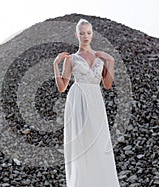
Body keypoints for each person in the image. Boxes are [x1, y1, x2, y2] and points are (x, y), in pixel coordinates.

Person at [53, 19, 120, 187]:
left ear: (92, 34)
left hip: (95, 100)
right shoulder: (72, 59)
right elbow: (62, 87)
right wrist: (55, 65)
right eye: (82, 33)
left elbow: (107, 84)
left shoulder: (100, 57)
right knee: (82, 143)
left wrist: (110, 61)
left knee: (98, 142)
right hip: (78, 99)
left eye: (88, 33)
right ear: (77, 35)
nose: (85, 36)